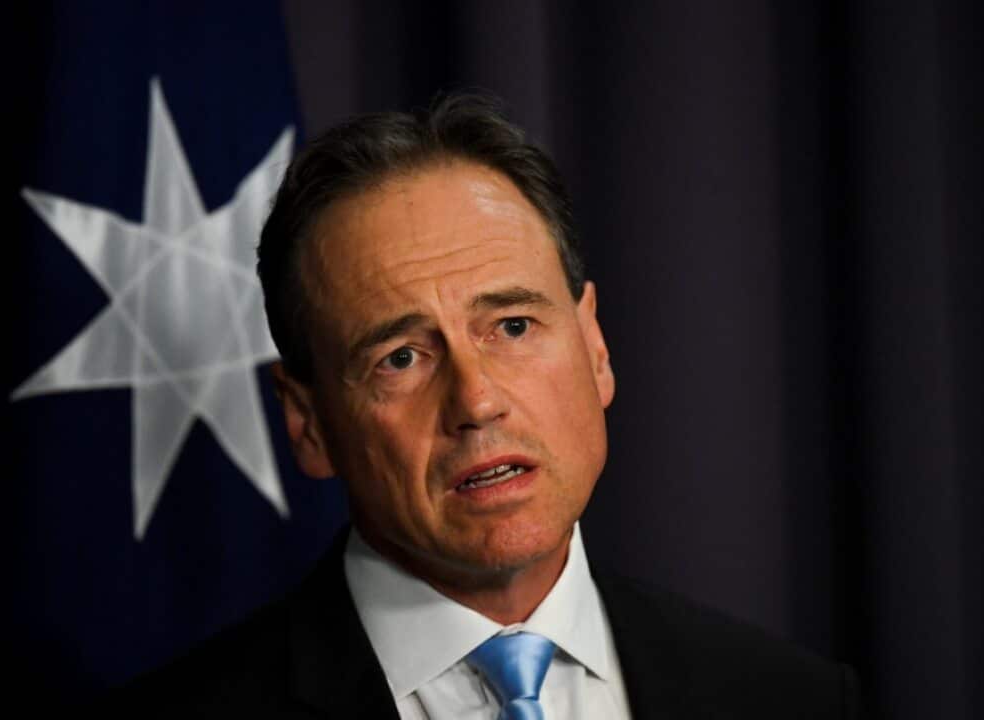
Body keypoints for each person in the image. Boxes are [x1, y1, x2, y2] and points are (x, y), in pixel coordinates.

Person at [115, 93, 861, 719]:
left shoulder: (795, 700)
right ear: (308, 424)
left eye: (512, 326)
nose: (475, 401)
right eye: (401, 358)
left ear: (594, 348)